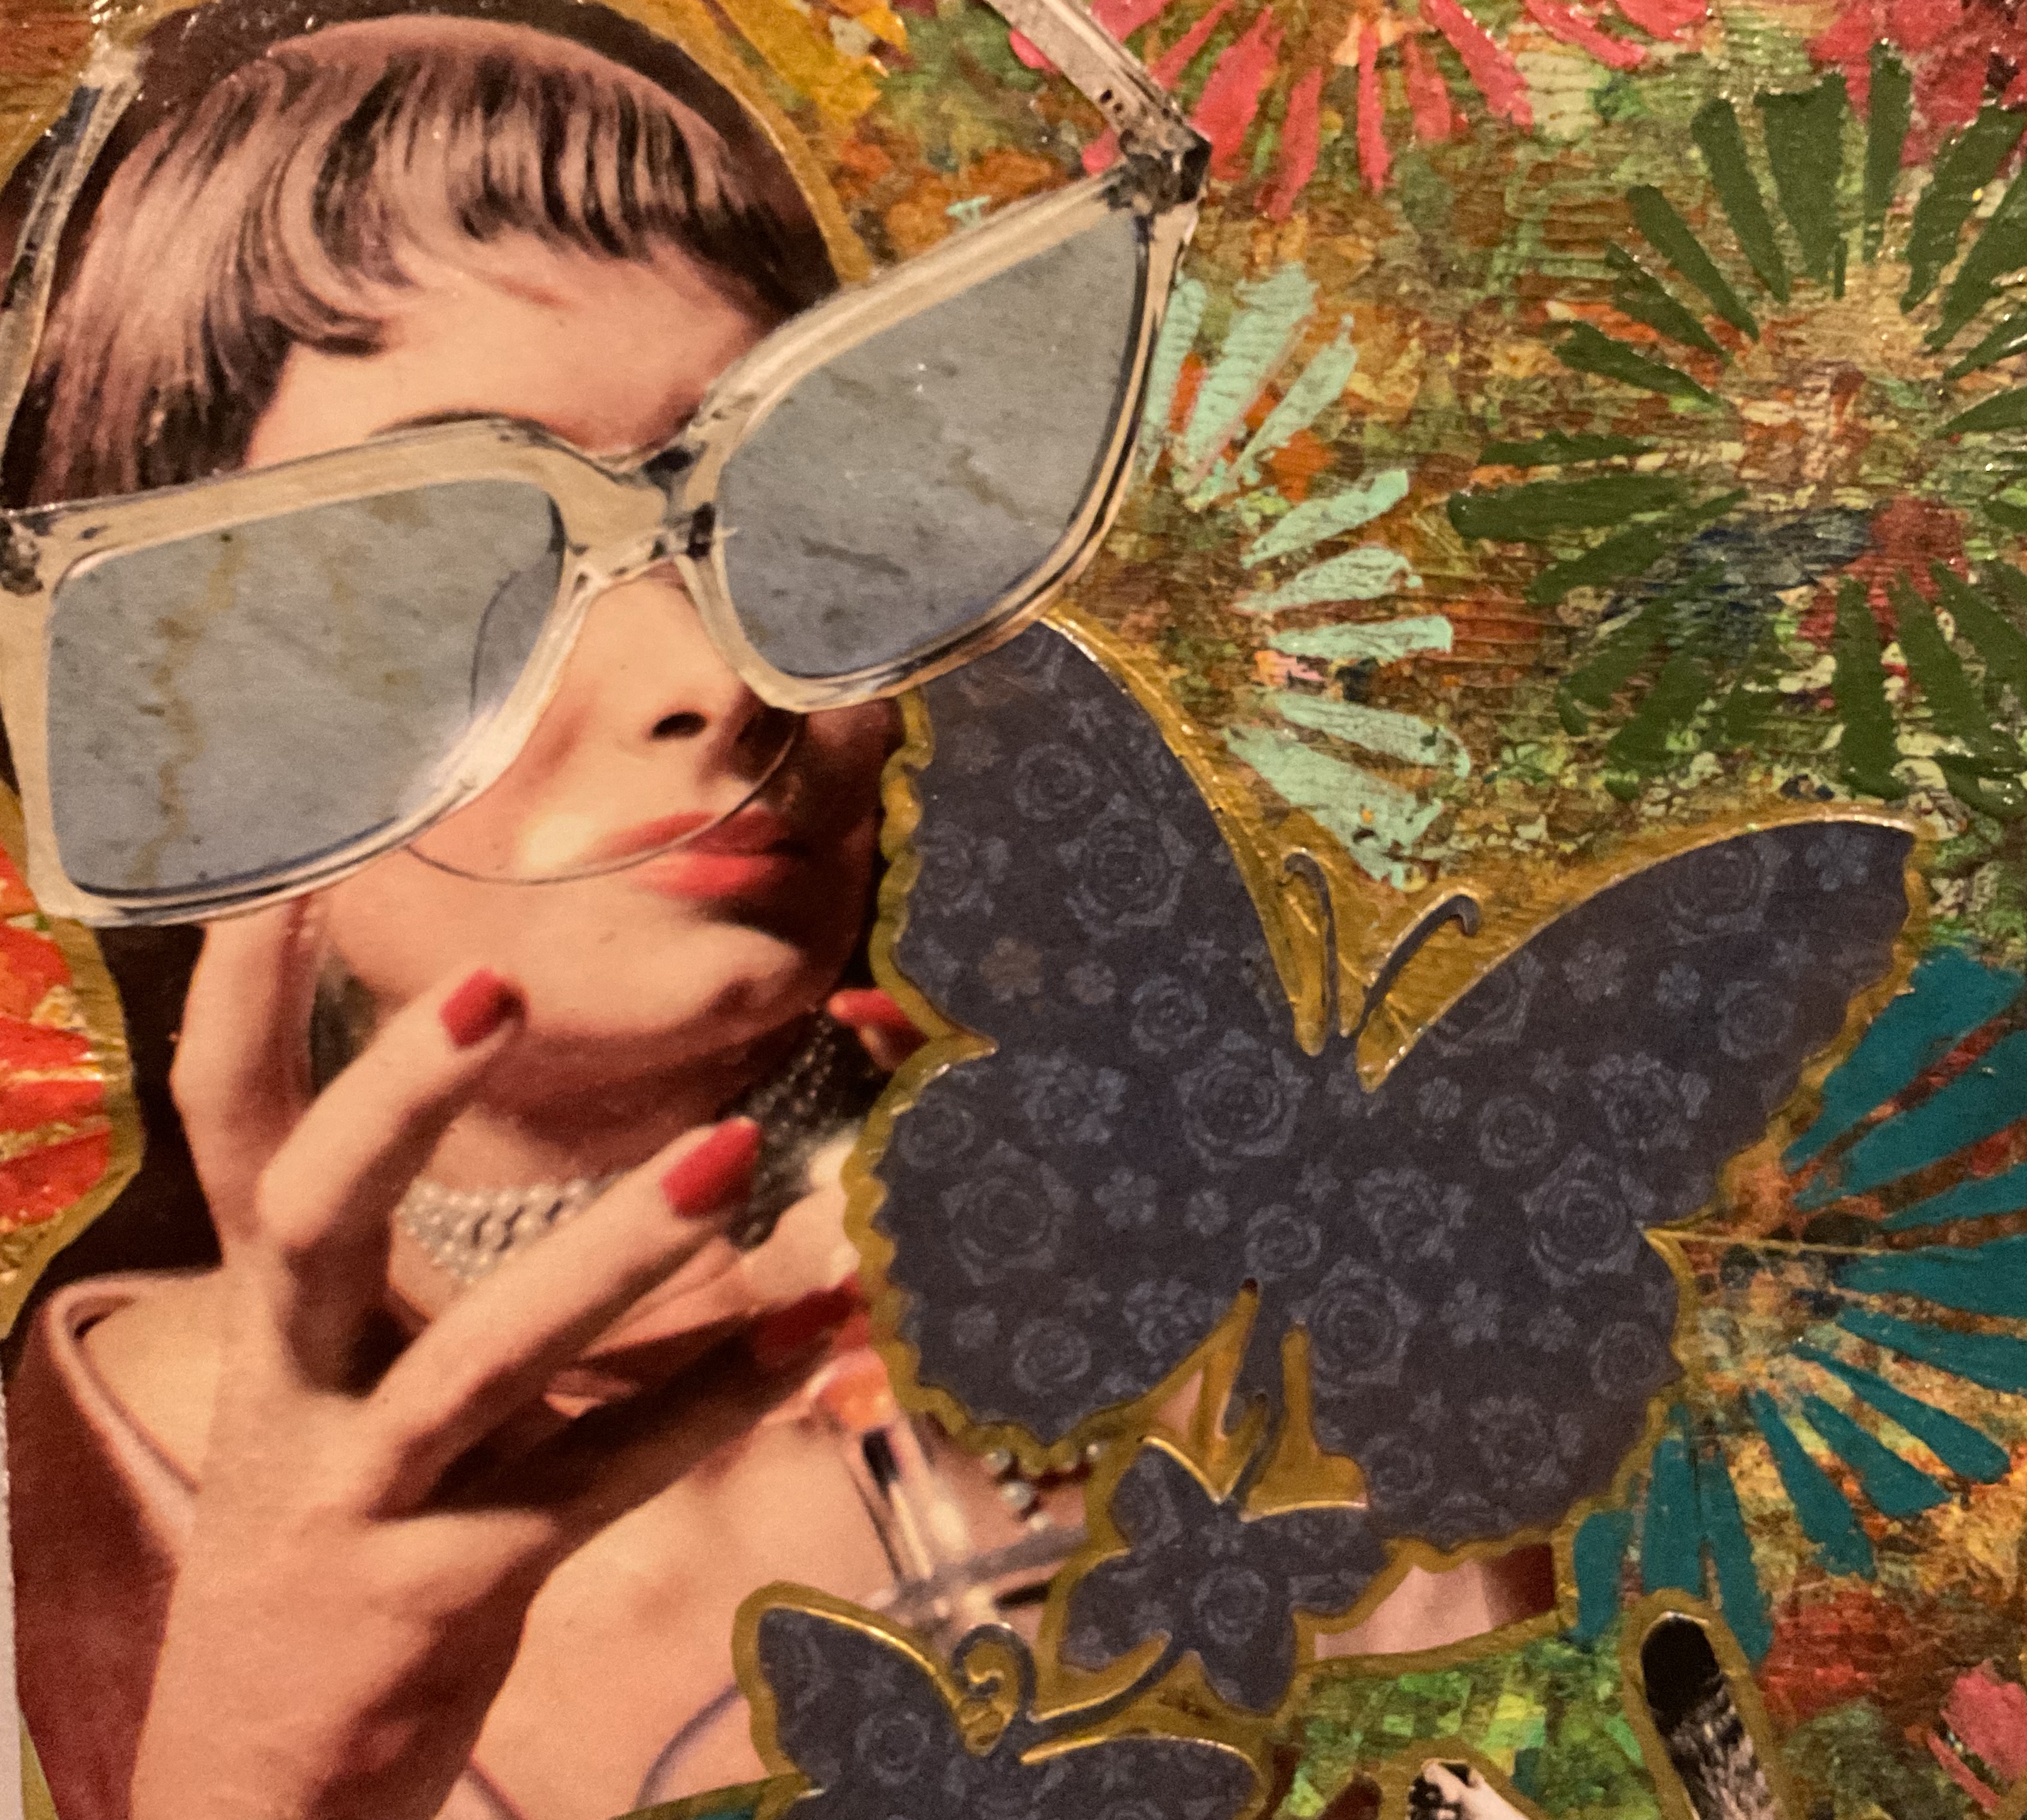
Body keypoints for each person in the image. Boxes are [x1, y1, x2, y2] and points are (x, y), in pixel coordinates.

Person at [0, 10, 1552, 1820]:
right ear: (167, 717)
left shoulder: (1268, 1357)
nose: (714, 674)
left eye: (781, 509)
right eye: (445, 564)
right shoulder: (76, 1479)